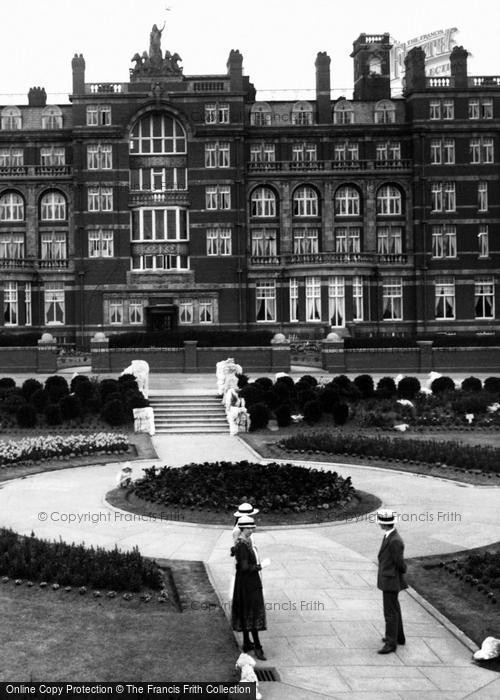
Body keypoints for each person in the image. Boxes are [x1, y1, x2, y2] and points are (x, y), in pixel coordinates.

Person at [231, 515, 267, 660]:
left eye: (252, 527)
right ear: (242, 528)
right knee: (251, 612)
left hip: (245, 582)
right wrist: (261, 566)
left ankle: (247, 643)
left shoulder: (244, 542)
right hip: (248, 583)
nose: (251, 530)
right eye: (248, 528)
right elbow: (245, 567)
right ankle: (257, 647)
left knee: (246, 612)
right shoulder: (242, 545)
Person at [376, 509, 407, 654]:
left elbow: (400, 563)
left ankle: (391, 643)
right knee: (395, 609)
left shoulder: (394, 540)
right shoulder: (390, 536)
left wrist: (401, 570)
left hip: (390, 580)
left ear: (383, 524)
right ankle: (398, 637)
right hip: (390, 578)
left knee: (390, 613)